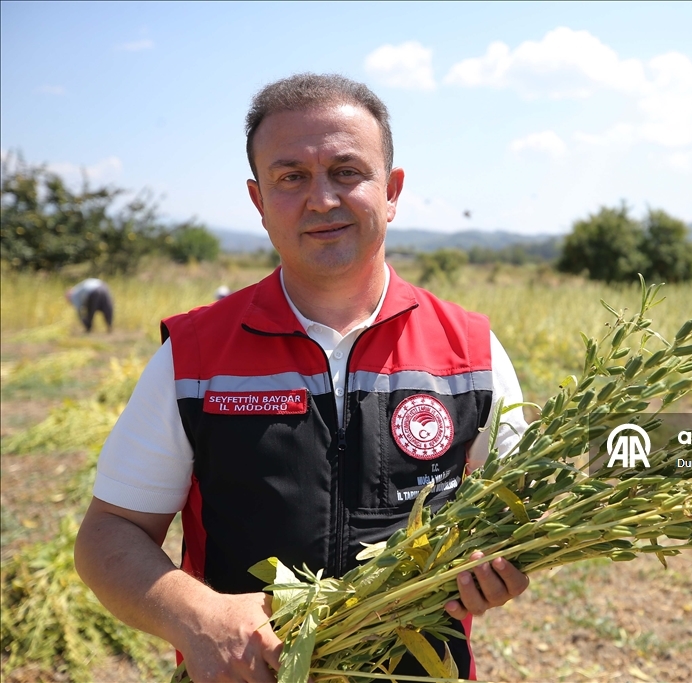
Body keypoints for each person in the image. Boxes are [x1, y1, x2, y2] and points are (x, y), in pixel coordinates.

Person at [74, 73, 531, 683]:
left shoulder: (471, 350)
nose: (322, 199)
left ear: (391, 191)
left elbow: (521, 513)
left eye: (347, 171)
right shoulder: (195, 355)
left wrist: (502, 558)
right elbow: (110, 533)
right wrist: (199, 614)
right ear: (259, 200)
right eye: (291, 177)